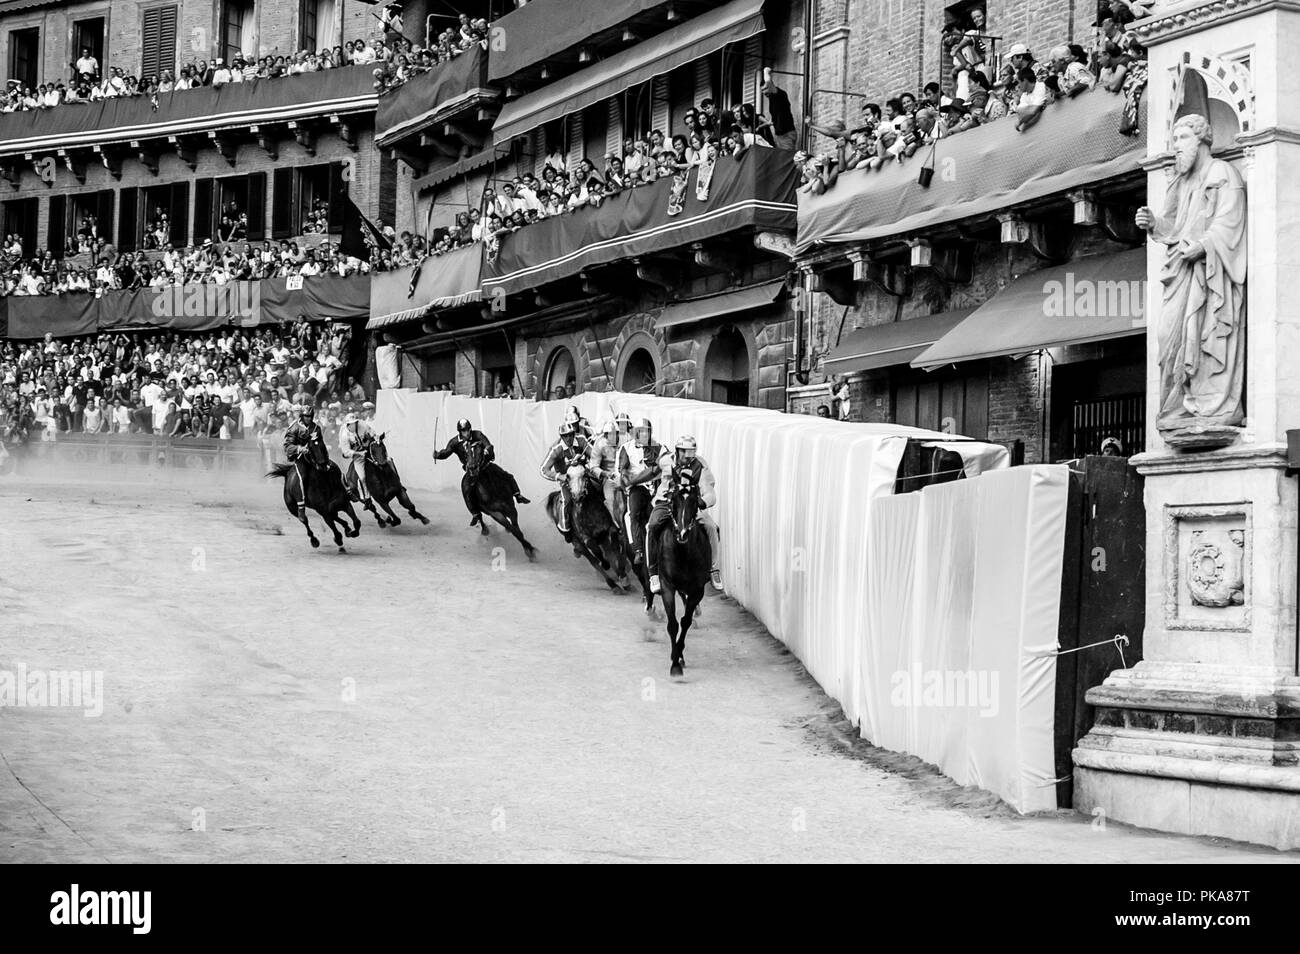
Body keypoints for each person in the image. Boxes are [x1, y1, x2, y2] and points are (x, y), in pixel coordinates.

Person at [645, 435, 722, 594]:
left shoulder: (700, 466)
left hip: (688, 504)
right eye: (683, 452)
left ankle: (714, 569)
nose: (687, 457)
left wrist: (702, 502)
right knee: (652, 525)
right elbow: (653, 472)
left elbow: (710, 492)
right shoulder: (666, 460)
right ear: (677, 450)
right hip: (665, 502)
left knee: (711, 527)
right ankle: (653, 573)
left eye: (690, 453)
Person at [434, 418, 528, 526]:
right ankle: (475, 514)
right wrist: (438, 455)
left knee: (507, 476)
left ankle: (517, 495)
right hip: (470, 471)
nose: (466, 432)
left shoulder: (477, 435)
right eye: (463, 431)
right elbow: (446, 452)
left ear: (470, 429)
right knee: (466, 489)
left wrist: (488, 449)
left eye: (468, 430)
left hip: (485, 465)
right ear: (460, 431)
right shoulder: (455, 442)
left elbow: (488, 444)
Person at [617, 416, 664, 565]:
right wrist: (626, 479)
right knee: (632, 514)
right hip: (638, 488)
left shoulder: (659, 447)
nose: (644, 435)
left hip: (656, 486)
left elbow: (665, 463)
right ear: (636, 433)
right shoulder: (627, 448)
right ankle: (638, 550)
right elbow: (622, 469)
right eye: (641, 432)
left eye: (647, 432)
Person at [541, 420, 591, 551]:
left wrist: (588, 462)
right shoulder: (556, 449)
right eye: (565, 436)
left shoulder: (581, 440)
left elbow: (594, 455)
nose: (569, 438)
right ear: (561, 437)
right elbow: (543, 469)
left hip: (583, 475)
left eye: (570, 435)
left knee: (599, 491)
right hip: (567, 480)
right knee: (567, 500)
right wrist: (559, 476)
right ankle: (566, 529)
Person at [283, 404, 328, 517]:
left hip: (316, 457)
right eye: (306, 416)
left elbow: (320, 443)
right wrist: (300, 449)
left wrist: (324, 456)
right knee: (302, 477)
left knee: (332, 469)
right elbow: (287, 446)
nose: (308, 418)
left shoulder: (316, 427)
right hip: (300, 458)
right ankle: (301, 506)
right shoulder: (294, 427)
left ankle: (346, 491)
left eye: (310, 416)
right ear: (302, 416)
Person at [588, 418, 624, 527]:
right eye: (609, 434)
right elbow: (593, 467)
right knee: (610, 499)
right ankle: (619, 525)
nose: (613, 437)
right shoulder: (599, 444)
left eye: (615, 434)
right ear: (605, 435)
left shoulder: (626, 440)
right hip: (610, 478)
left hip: (626, 475)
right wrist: (605, 473)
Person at [338, 412, 376, 506]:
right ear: (347, 424)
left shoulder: (363, 425)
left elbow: (372, 433)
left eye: (355, 422)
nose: (353, 425)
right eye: (351, 423)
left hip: (368, 449)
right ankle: (367, 498)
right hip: (358, 456)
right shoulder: (344, 434)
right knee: (362, 477)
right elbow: (346, 452)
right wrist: (359, 453)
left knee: (387, 460)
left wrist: (375, 437)